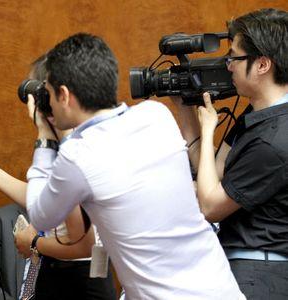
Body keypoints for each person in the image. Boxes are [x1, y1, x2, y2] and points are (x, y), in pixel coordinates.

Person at [20, 33, 243, 299]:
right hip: (220, 286)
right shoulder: (156, 115)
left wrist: (44, 139)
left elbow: (41, 215)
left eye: (49, 93)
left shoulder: (78, 156)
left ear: (64, 95)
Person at [0, 56, 117, 300]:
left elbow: (81, 242)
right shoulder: (76, 139)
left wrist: (33, 243)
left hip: (78, 278)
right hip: (70, 272)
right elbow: (51, 199)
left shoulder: (76, 149)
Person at [173, 8, 288, 299]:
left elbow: (210, 205)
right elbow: (211, 173)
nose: (227, 66)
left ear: (262, 64)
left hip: (258, 275)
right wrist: (186, 111)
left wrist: (209, 129)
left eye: (233, 58)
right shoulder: (257, 114)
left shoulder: (274, 140)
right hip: (241, 264)